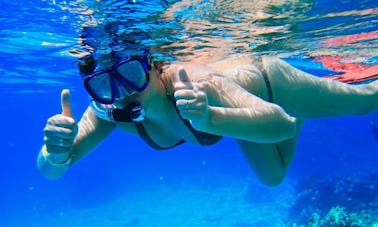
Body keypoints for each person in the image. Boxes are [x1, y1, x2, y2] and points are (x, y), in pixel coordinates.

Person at [37, 46, 378, 187]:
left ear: (154, 67)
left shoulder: (197, 81)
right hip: (247, 116)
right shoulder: (108, 109)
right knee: (272, 177)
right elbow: (51, 172)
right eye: (104, 83)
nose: (123, 91)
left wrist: (212, 117)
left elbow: (280, 123)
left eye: (131, 74)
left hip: (269, 84)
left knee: (368, 100)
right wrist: (53, 153)